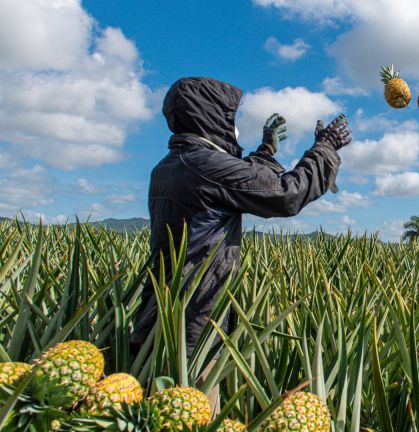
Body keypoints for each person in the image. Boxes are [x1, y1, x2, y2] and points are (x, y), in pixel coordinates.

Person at [130, 76, 351, 364]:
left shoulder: (172, 164)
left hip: (163, 313)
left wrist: (266, 151)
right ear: (209, 115)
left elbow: (238, 180)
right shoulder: (204, 165)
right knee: (195, 404)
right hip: (193, 321)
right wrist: (325, 148)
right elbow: (286, 194)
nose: (233, 126)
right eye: (229, 116)